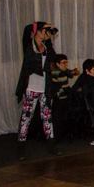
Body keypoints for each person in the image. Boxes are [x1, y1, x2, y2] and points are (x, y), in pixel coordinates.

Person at [14, 21, 58, 159]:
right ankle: (21, 149)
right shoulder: (29, 45)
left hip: (45, 89)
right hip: (31, 88)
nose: (46, 32)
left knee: (47, 118)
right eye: (44, 30)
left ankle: (52, 146)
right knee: (26, 118)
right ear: (37, 31)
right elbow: (27, 29)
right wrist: (41, 24)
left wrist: (49, 38)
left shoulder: (46, 46)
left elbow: (53, 59)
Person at [48, 53, 78, 141]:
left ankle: (64, 135)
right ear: (57, 64)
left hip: (64, 96)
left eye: (66, 62)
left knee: (65, 116)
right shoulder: (56, 72)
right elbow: (58, 87)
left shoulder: (62, 70)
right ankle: (58, 137)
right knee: (59, 118)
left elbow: (70, 73)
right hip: (59, 97)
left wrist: (73, 72)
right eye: (63, 62)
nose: (65, 64)